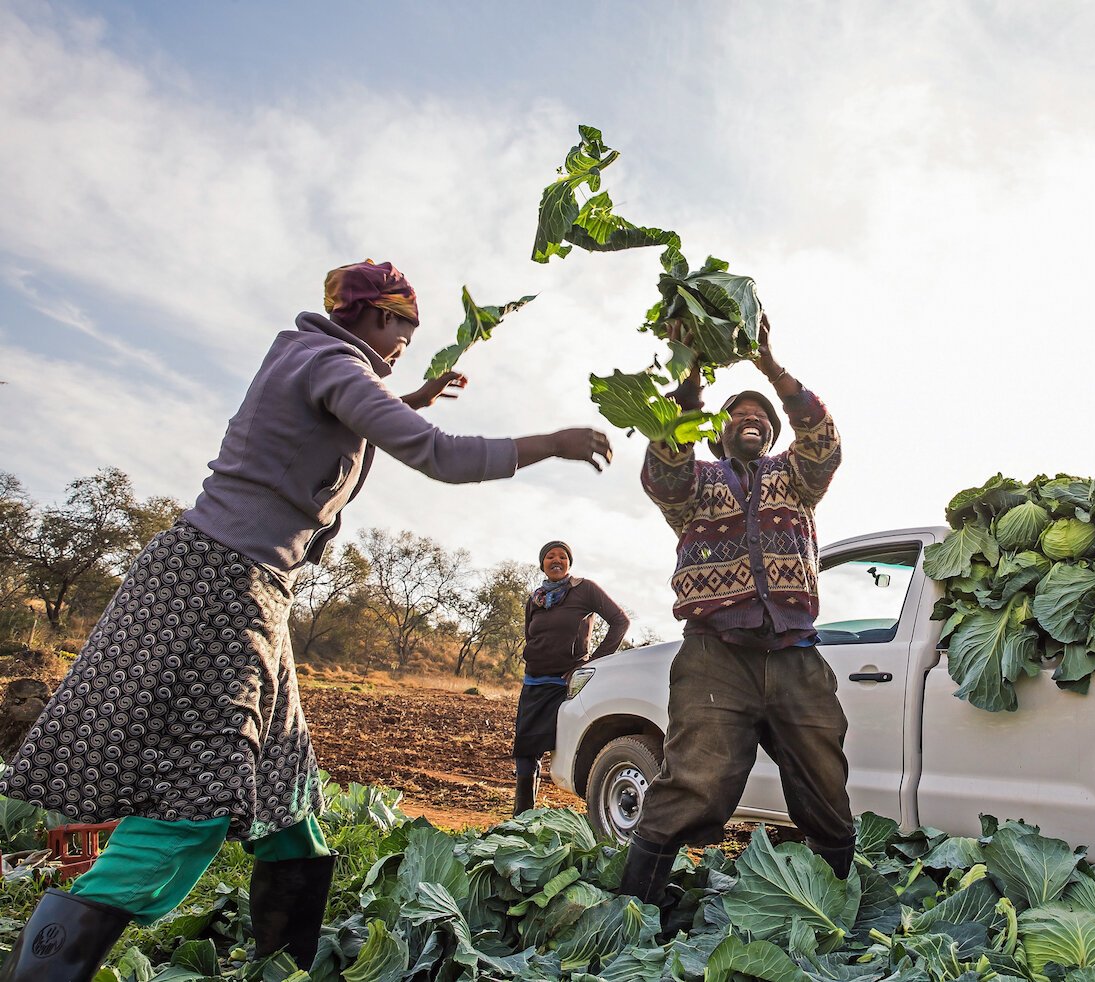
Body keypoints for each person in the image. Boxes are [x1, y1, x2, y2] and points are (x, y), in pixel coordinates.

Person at [0, 260, 612, 979]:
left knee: (284, 793)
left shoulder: (308, 357)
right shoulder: (333, 363)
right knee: (192, 801)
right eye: (403, 337)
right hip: (219, 589)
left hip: (248, 585)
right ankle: (42, 970)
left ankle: (280, 968)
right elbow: (439, 455)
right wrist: (554, 444)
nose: (399, 351)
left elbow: (344, 422)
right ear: (379, 318)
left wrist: (412, 394)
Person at [618, 313, 853, 907]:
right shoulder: (696, 483)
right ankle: (633, 911)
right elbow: (663, 468)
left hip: (796, 657)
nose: (750, 420)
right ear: (717, 432)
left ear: (772, 434)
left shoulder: (796, 479)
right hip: (715, 657)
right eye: (737, 416)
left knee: (825, 787)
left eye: (761, 418)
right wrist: (691, 374)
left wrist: (769, 367)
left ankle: (831, 907)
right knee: (694, 781)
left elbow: (824, 441)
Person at [512, 539, 629, 815]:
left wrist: (594, 662)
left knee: (572, 745)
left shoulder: (584, 589)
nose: (556, 560)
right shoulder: (536, 598)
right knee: (525, 750)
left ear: (569, 563)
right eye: (550, 556)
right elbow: (531, 634)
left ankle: (599, 815)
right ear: (542, 564)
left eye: (562, 557)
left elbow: (620, 621)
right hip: (534, 682)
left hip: (566, 685)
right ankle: (522, 816)